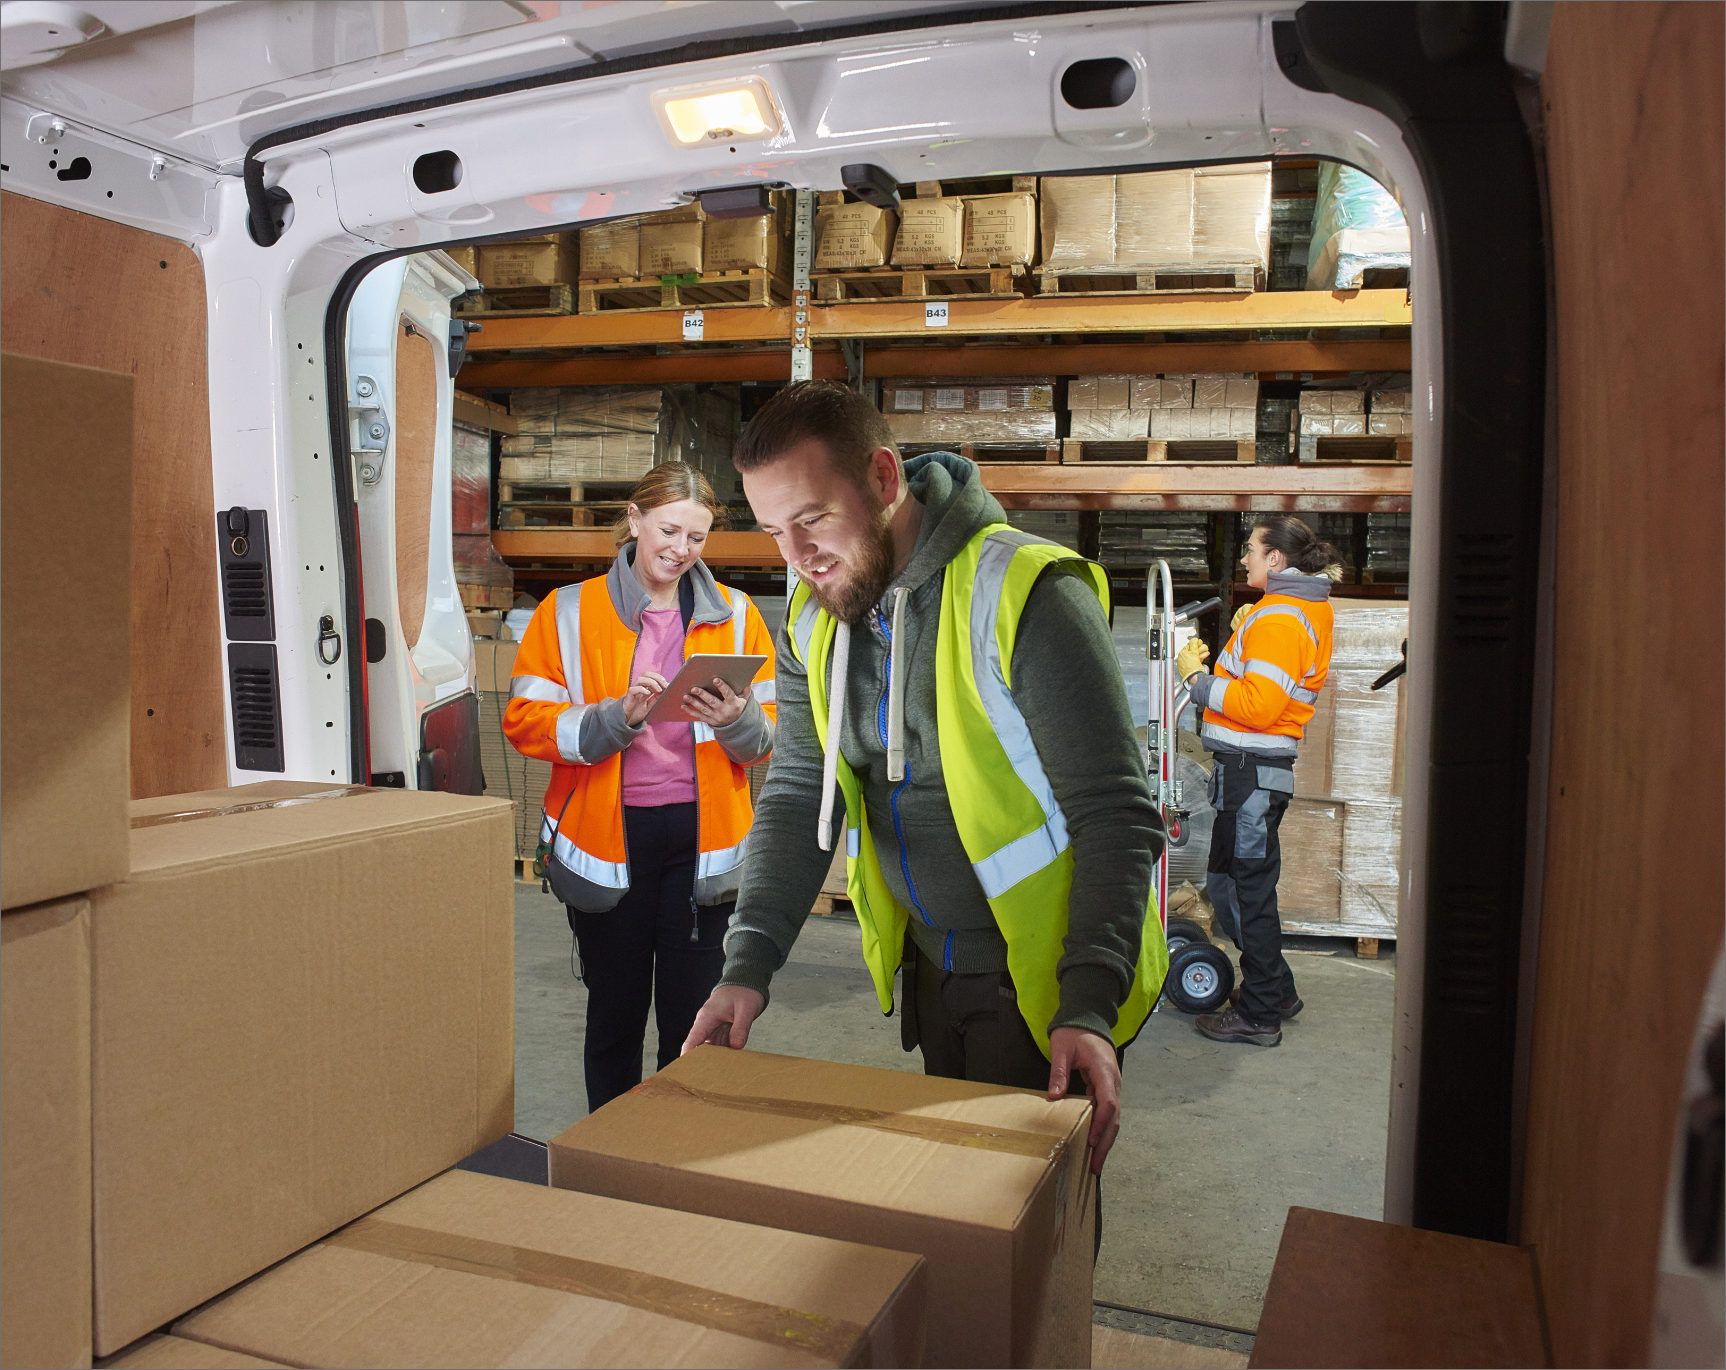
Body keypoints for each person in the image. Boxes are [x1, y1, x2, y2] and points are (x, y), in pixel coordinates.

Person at [679, 381, 1167, 1181]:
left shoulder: (1027, 593)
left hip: (1047, 978)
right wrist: (748, 963)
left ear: (882, 478)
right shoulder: (813, 615)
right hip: (933, 970)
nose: (797, 557)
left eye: (812, 519)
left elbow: (1114, 813)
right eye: (773, 532)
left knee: (1029, 1217)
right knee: (954, 1200)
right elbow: (800, 792)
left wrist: (1087, 1000)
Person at [504, 460, 777, 1112]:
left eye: (696, 537)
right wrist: (613, 718)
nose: (681, 549)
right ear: (634, 520)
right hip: (608, 842)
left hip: (703, 847)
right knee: (615, 1016)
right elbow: (525, 722)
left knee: (694, 1022)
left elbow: (766, 739)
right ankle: (609, 1145)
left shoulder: (738, 616)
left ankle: (675, 1149)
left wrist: (735, 719)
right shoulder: (567, 611)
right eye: (668, 531)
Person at [1173, 515, 1341, 1048]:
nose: (1244, 558)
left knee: (1248, 893)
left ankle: (1261, 1014)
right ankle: (1278, 991)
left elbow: (1259, 705)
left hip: (1252, 774)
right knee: (1227, 885)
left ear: (1276, 558)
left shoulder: (1282, 618)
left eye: (1251, 549)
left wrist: (1195, 679)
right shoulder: (1288, 610)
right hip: (1246, 774)